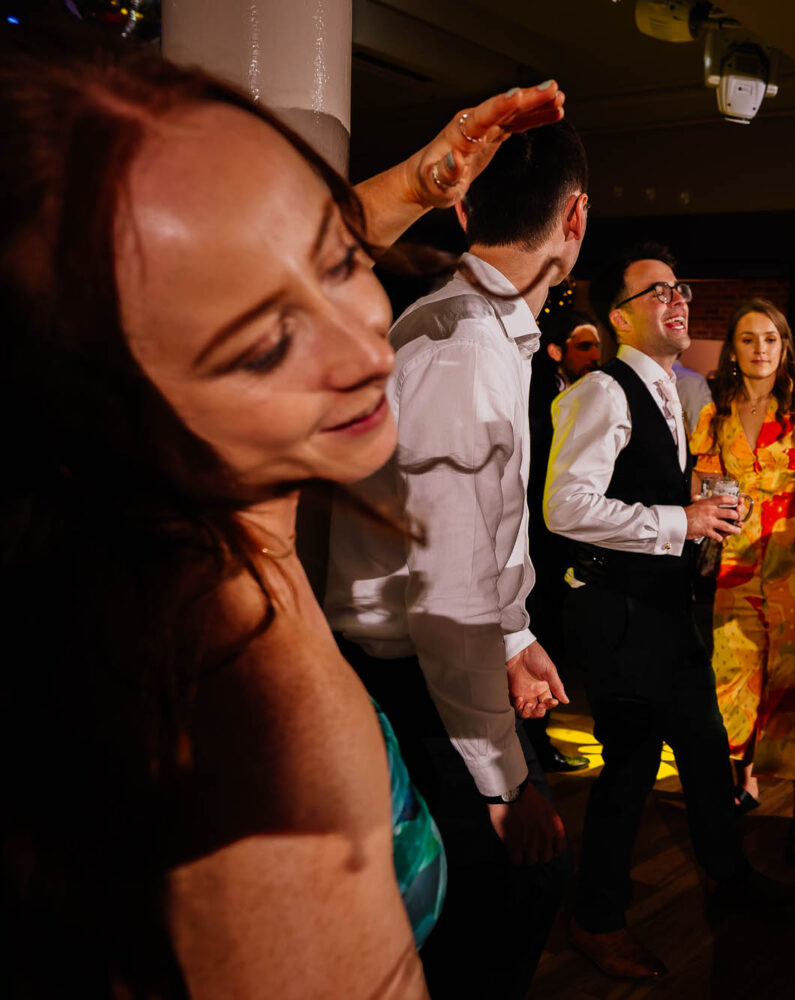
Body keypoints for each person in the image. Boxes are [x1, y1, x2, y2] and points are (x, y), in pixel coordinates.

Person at [0, 20, 569, 995]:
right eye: (266, 345)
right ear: (101, 405)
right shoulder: (257, 707)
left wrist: (414, 185)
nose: (368, 346)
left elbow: (233, 262)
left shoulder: (140, 564)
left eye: (342, 261)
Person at [325, 120, 592, 996]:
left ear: (467, 203)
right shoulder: (465, 346)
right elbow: (446, 587)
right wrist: (503, 781)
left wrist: (515, 641)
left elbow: (473, 535)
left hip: (440, 658)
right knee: (498, 904)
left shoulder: (481, 330)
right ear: (576, 218)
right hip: (408, 677)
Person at [547, 242, 794, 979]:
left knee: (705, 746)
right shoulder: (601, 391)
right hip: (619, 613)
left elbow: (646, 488)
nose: (678, 298)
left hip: (661, 607)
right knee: (628, 770)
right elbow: (566, 507)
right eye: (658, 291)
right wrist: (678, 523)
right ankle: (596, 918)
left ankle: (727, 871)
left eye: (680, 287)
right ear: (620, 317)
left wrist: (700, 521)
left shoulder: (666, 390)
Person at [687, 298, 795, 862]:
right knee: (730, 678)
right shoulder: (714, 410)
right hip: (733, 560)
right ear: (733, 350)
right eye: (748, 340)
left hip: (794, 557)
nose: (760, 349)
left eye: (770, 339)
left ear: (785, 346)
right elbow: (704, 484)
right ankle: (741, 784)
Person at [524, 303, 600, 774]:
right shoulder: (540, 395)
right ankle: (534, 745)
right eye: (584, 345)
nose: (595, 354)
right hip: (535, 539)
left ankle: (537, 741)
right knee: (538, 634)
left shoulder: (572, 391)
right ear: (556, 351)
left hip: (554, 543)